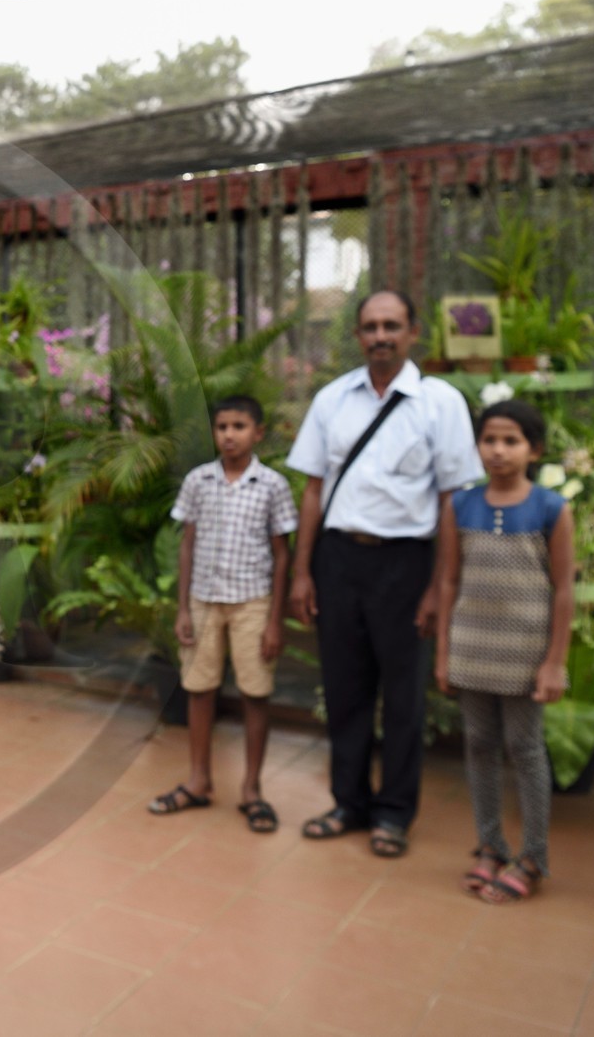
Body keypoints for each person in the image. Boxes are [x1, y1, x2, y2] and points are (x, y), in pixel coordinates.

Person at [287, 289, 482, 858]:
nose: (380, 336)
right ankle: (348, 802)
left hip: (407, 564)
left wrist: (437, 589)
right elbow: (314, 489)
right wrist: (302, 573)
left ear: (413, 332)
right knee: (345, 691)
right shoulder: (332, 400)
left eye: (392, 325)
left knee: (403, 698)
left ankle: (394, 813)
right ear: (357, 336)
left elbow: (452, 500)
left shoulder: (440, 403)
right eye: (370, 326)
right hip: (339, 560)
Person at [435, 399, 573, 903]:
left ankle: (533, 855)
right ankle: (490, 845)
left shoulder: (551, 509)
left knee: (526, 750)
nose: (498, 450)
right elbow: (449, 580)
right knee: (479, 744)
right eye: (489, 439)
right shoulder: (460, 505)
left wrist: (554, 661)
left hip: (525, 653)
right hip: (472, 647)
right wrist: (445, 654)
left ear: (533, 449)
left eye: (511, 441)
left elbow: (562, 590)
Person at [149, 396, 298, 833]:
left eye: (239, 426)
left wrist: (274, 620)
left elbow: (281, 554)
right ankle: (199, 780)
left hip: (253, 602)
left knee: (255, 693)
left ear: (258, 433)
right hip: (204, 600)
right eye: (222, 427)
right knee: (199, 688)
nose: (229, 434)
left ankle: (252, 789)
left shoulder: (272, 485)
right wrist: (182, 607)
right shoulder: (199, 481)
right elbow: (188, 544)